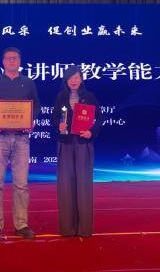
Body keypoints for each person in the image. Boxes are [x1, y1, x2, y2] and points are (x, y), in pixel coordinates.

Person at [0, 47, 41, 242]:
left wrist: (31, 119)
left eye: (15, 58)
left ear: (20, 61)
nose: (12, 61)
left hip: (21, 139)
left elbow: (36, 106)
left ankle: (21, 224)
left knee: (21, 184)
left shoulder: (28, 82)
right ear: (3, 61)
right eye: (8, 58)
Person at [51, 66, 103, 237]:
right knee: (66, 186)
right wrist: (58, 125)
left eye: (77, 77)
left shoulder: (89, 97)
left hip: (83, 144)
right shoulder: (61, 97)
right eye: (70, 77)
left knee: (84, 185)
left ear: (81, 79)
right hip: (65, 144)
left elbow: (100, 118)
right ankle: (68, 228)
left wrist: (91, 132)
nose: (74, 80)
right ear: (66, 80)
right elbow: (54, 119)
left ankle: (84, 229)